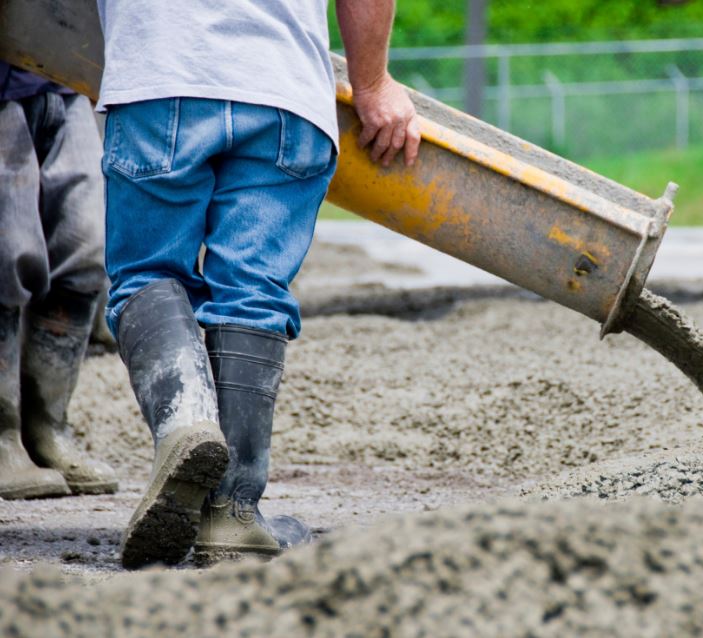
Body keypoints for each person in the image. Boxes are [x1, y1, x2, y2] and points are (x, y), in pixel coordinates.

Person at [96, 0, 421, 568]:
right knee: (251, 291)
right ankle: (233, 513)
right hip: (284, 89)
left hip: (160, 72)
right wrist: (373, 85)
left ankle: (186, 423)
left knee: (148, 273)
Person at [0, 63, 119, 499]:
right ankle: (3, 433)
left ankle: (47, 427)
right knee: (7, 252)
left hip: (61, 77)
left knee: (86, 249)